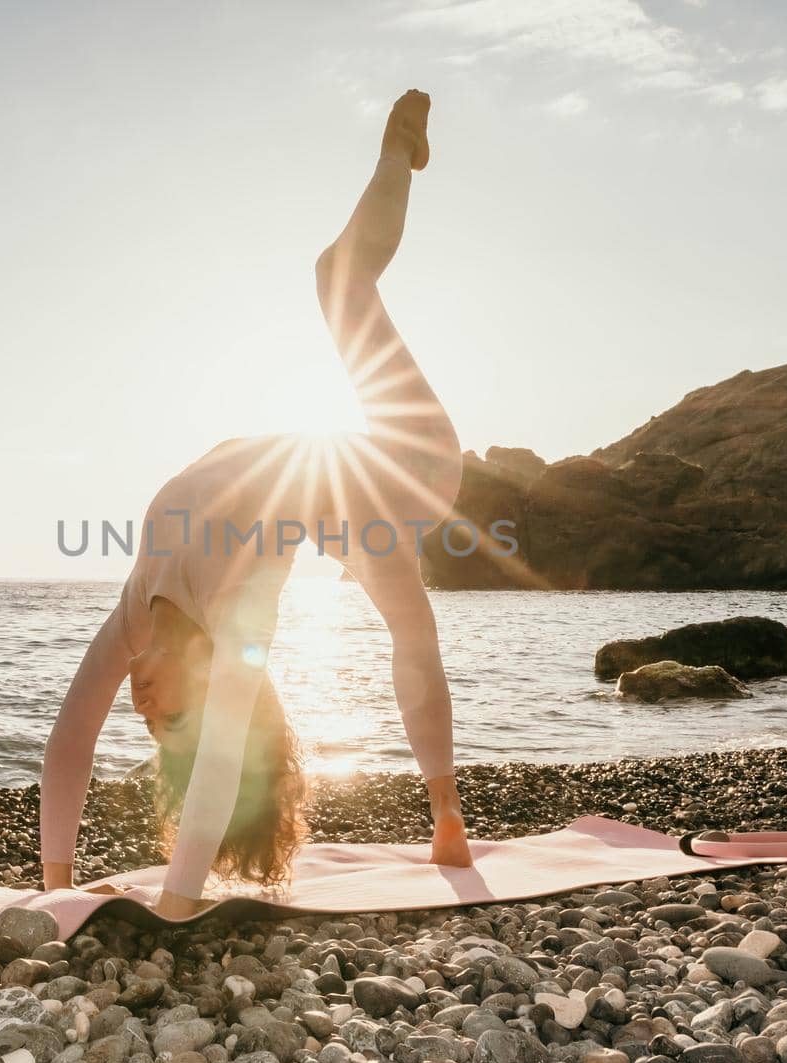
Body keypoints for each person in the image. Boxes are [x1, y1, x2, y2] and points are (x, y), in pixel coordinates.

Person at [40, 89, 473, 919]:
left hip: (355, 476)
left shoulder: (137, 615)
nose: (146, 712)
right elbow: (213, 765)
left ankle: (397, 154)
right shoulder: (240, 612)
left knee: (334, 278)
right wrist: (175, 900)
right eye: (174, 724)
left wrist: (55, 888)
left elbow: (68, 738)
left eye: (152, 723)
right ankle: (447, 811)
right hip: (406, 475)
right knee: (412, 625)